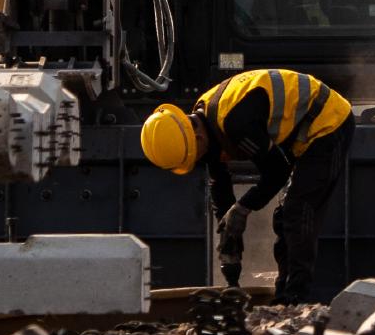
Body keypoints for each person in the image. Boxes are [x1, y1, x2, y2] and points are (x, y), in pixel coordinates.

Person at [139, 68, 354, 302]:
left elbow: (277, 172)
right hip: (299, 130)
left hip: (329, 122)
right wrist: (228, 233)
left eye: (195, 157)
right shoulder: (204, 118)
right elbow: (219, 184)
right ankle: (283, 294)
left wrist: (243, 208)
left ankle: (295, 298)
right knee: (283, 217)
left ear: (197, 139)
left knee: (297, 211)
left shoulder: (235, 122)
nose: (201, 161)